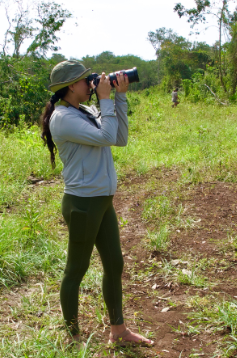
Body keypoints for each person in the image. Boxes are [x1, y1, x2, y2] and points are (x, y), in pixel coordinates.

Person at [39, 60, 154, 347]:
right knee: (75, 270)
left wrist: (119, 96)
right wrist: (104, 98)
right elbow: (106, 136)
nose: (90, 83)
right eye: (85, 80)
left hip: (101, 201)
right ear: (70, 87)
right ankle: (73, 336)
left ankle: (118, 330)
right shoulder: (64, 118)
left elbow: (119, 138)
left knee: (115, 264)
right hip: (83, 203)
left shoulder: (84, 111)